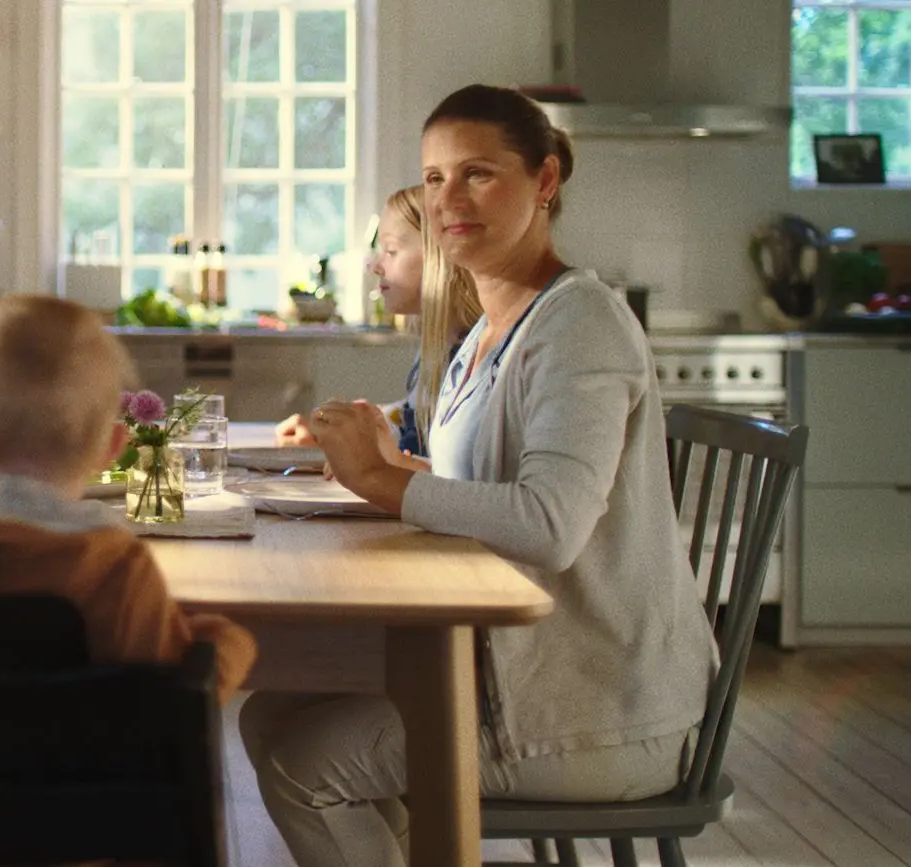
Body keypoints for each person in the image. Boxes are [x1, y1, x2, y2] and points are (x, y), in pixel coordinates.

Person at [239, 84, 714, 866]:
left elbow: (549, 525)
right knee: (268, 714)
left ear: (547, 181)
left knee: (304, 761)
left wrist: (383, 480)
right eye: (433, 178)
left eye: (478, 174)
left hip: (592, 709)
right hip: (517, 676)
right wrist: (380, 456)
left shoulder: (579, 322)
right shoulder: (489, 333)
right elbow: (476, 480)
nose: (448, 199)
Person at [0, 296, 258, 700]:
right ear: (111, 448)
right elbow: (176, 693)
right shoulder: (113, 569)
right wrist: (228, 641)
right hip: (63, 767)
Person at [275, 185, 480, 465]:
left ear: (439, 257)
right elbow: (411, 421)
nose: (375, 266)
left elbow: (463, 476)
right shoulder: (438, 345)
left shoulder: (475, 357)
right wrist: (331, 437)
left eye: (391, 251)